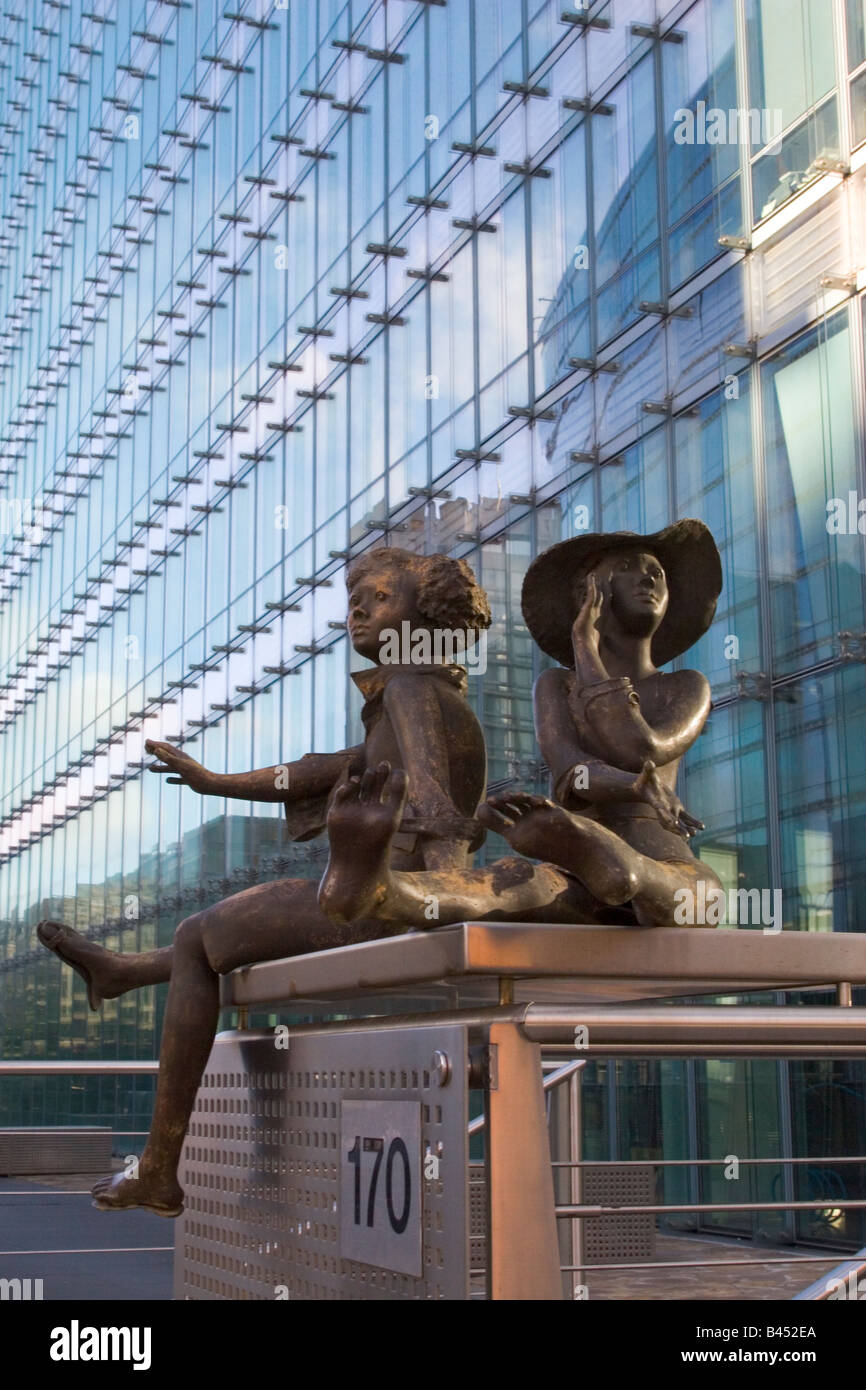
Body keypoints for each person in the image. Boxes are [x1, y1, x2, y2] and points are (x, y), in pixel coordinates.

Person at [36, 547, 491, 1216]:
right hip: (389, 889)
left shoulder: (410, 690)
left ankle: (159, 1165)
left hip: (390, 897)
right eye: (353, 599)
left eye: (379, 597)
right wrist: (213, 781)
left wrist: (425, 888)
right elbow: (312, 772)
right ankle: (124, 974)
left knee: (196, 937)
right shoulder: (411, 695)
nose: (358, 610)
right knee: (203, 936)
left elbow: (438, 810)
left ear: (422, 615)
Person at [318, 520, 726, 935]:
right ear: (588, 593)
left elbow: (639, 749)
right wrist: (584, 645)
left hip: (659, 859)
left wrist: (586, 650)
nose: (648, 579)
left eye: (657, 573)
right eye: (626, 568)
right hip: (575, 868)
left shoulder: (686, 686)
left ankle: (626, 865)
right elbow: (573, 776)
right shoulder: (555, 685)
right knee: (510, 884)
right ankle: (385, 891)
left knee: (703, 897)